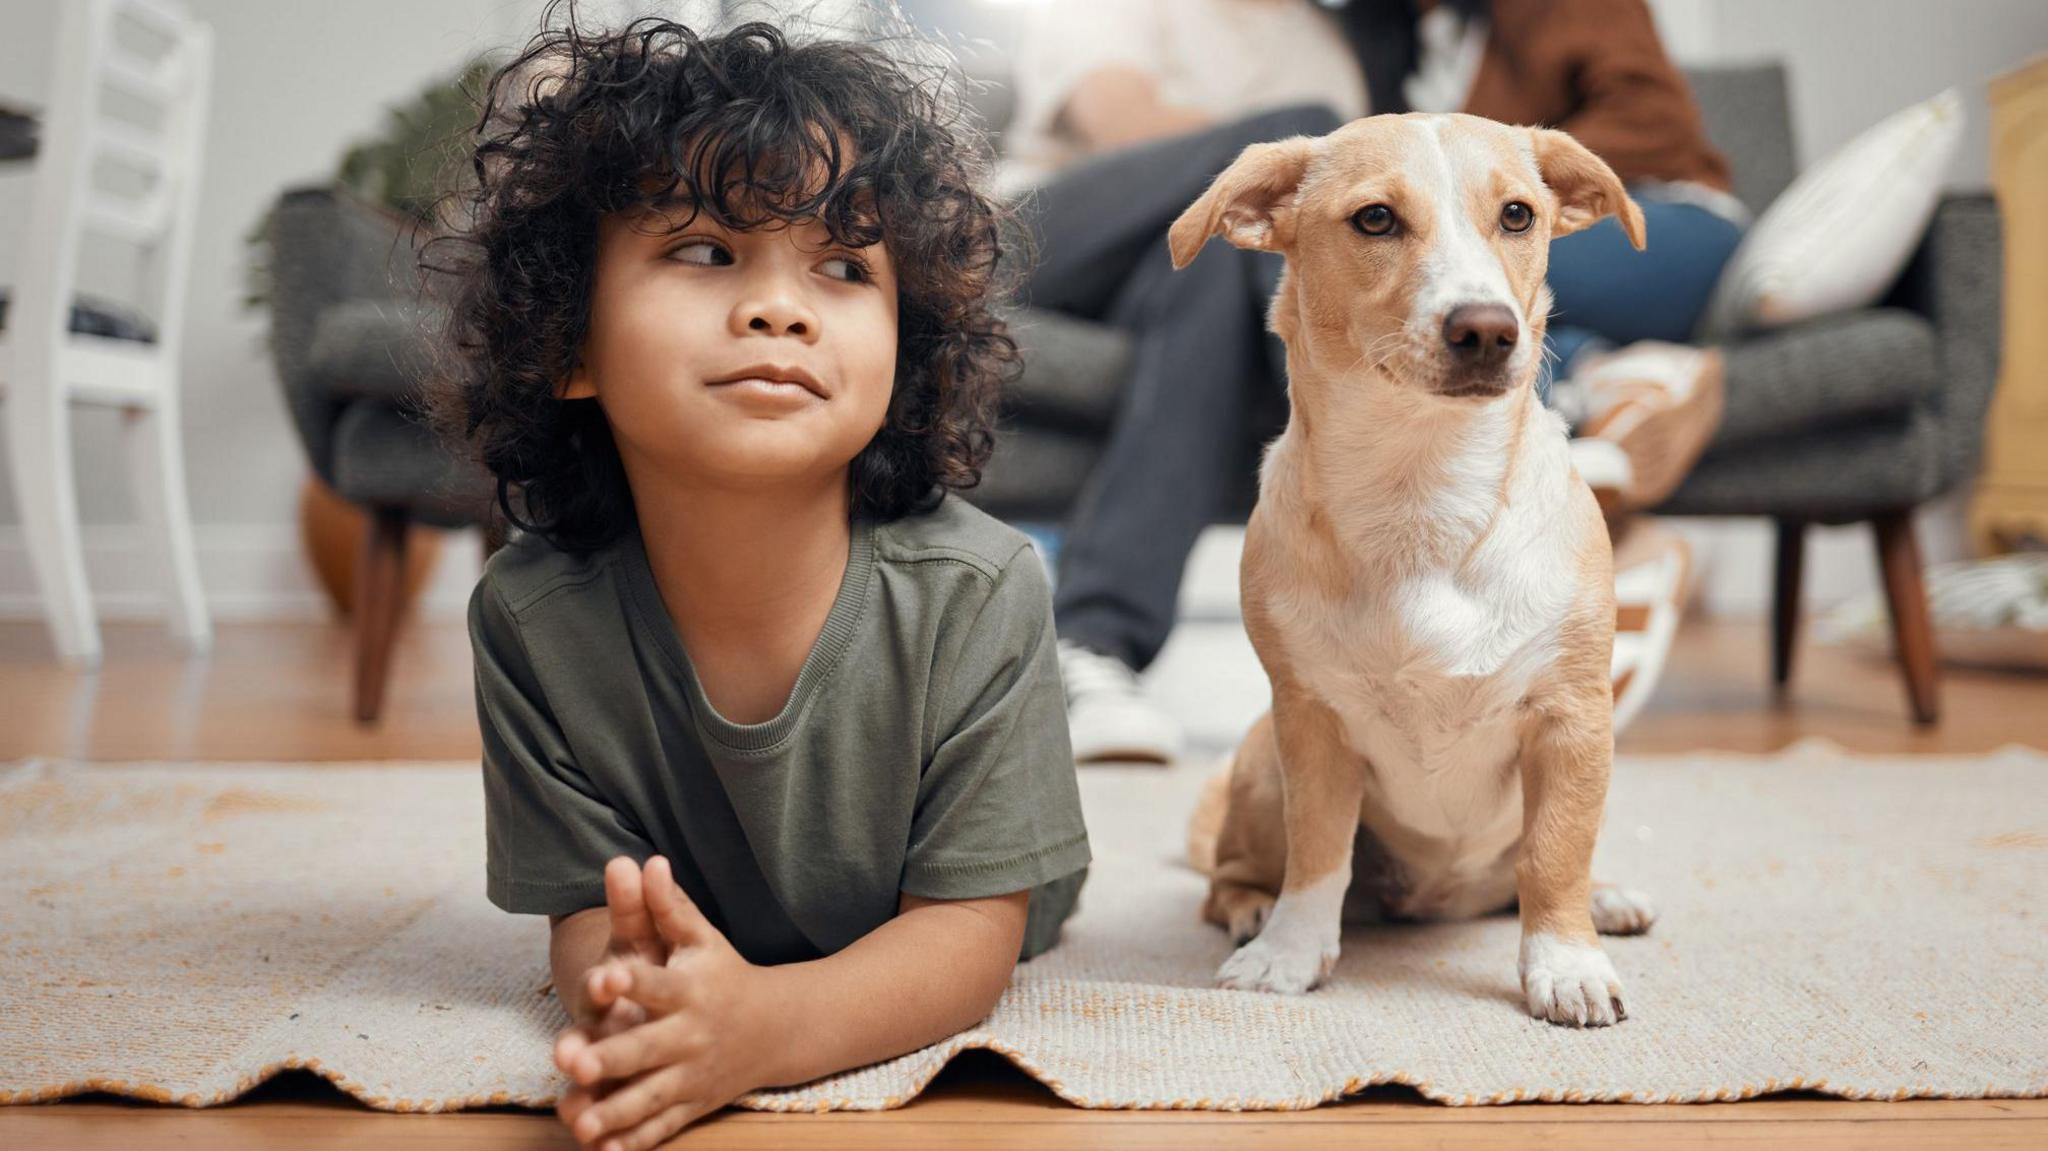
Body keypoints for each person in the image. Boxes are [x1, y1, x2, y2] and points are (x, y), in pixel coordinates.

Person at [428, 13, 1089, 1147]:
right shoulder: (530, 618)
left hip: (964, 899)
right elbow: (593, 914)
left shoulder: (979, 588)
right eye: (704, 249)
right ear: (567, 344)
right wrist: (645, 1013)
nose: (780, 305)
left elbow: (968, 937)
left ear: (905, 348)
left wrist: (760, 1029)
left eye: (842, 265)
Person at [1004, 0, 1739, 761]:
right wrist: (1291, 171)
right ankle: (1581, 413)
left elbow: (1380, 206)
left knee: (1250, 261)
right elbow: (1127, 122)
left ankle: (1096, 650)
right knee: (1305, 128)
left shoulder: (1341, 35)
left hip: (1204, 271)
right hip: (1045, 244)